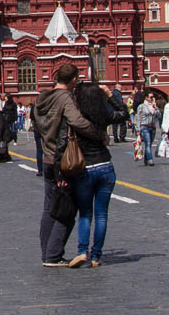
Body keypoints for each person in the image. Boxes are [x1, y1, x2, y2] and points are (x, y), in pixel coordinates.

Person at [33, 63, 104, 268]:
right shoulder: (65, 98)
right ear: (73, 80)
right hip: (63, 159)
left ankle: (47, 253)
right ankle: (53, 255)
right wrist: (98, 134)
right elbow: (77, 121)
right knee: (67, 207)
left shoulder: (41, 98)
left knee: (49, 207)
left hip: (47, 157)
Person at [68, 81, 125, 268]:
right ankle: (96, 256)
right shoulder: (103, 114)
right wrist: (109, 94)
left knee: (85, 213)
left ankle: (82, 252)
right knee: (102, 215)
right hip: (105, 166)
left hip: (85, 168)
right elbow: (123, 113)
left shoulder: (77, 116)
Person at [137, 95, 160, 166]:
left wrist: (156, 108)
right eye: (151, 97)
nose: (152, 98)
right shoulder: (141, 106)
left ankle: (146, 159)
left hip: (153, 127)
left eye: (153, 97)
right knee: (148, 143)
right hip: (144, 126)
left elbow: (159, 116)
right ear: (146, 97)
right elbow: (138, 118)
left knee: (149, 144)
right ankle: (150, 159)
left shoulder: (154, 106)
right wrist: (138, 129)